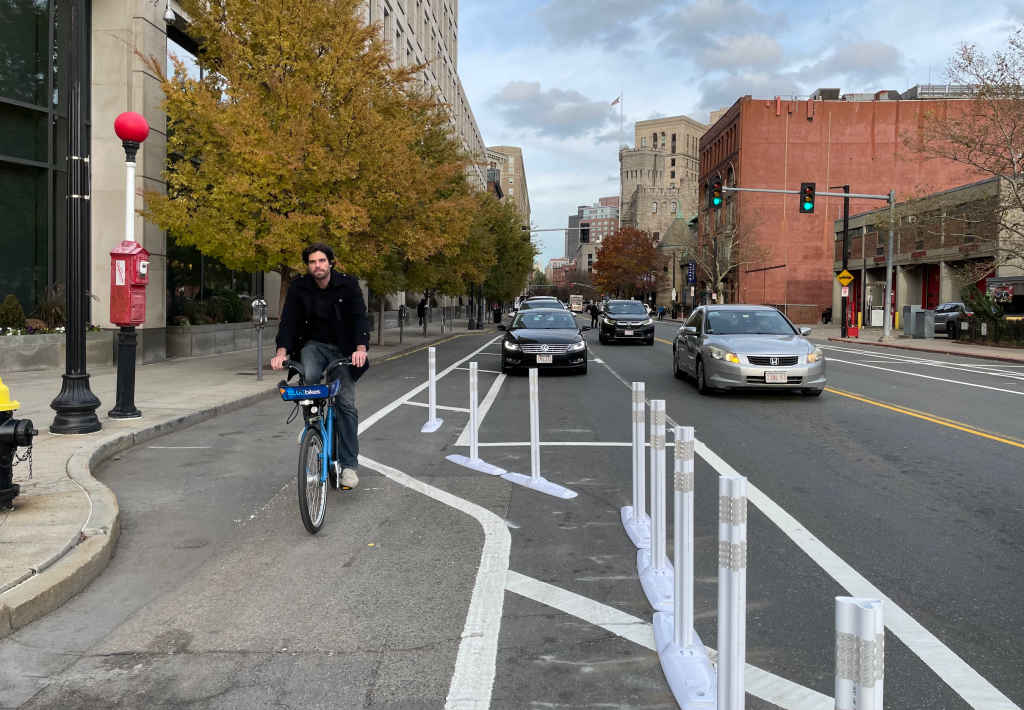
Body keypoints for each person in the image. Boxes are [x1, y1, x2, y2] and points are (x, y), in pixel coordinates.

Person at [272, 243, 370, 489]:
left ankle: (349, 466)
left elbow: (359, 315)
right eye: (312, 262)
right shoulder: (298, 287)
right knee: (310, 379)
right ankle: (311, 426)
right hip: (313, 345)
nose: (317, 266)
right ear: (308, 266)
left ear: (331, 262)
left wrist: (360, 349)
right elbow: (289, 321)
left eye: (322, 261)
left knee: (346, 403)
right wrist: (281, 352)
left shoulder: (348, 284)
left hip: (343, 348)